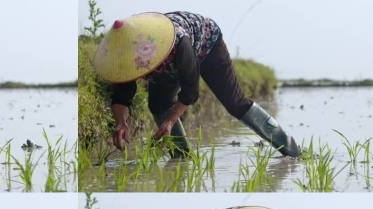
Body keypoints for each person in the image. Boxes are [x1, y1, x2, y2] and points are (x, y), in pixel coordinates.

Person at [93, 12, 300, 158]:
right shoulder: (126, 59)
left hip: (207, 44)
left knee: (235, 103)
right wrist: (121, 122)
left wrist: (171, 120)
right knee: (158, 105)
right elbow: (122, 95)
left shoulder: (180, 45)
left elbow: (190, 90)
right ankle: (182, 157)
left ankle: (291, 149)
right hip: (172, 59)